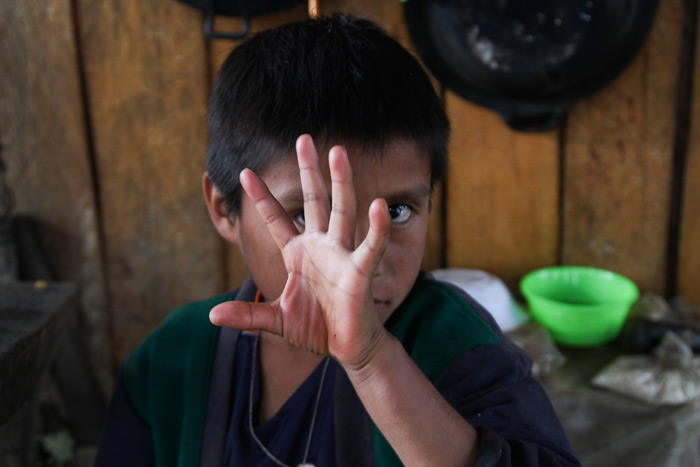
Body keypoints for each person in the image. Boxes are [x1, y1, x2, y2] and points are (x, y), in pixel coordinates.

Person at [95, 13, 579, 466]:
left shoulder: (454, 345)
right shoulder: (173, 360)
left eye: (396, 211)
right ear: (225, 209)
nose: (357, 261)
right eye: (307, 215)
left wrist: (372, 361)